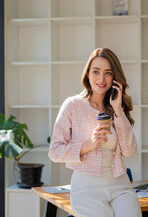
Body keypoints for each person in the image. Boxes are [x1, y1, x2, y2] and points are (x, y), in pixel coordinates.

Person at [48, 48, 142, 217]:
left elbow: (129, 150)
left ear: (115, 78)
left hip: (120, 185)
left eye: (108, 73)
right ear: (88, 74)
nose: (101, 79)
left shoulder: (116, 108)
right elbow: (54, 152)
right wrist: (88, 146)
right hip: (86, 188)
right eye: (96, 71)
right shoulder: (73, 105)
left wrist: (119, 110)